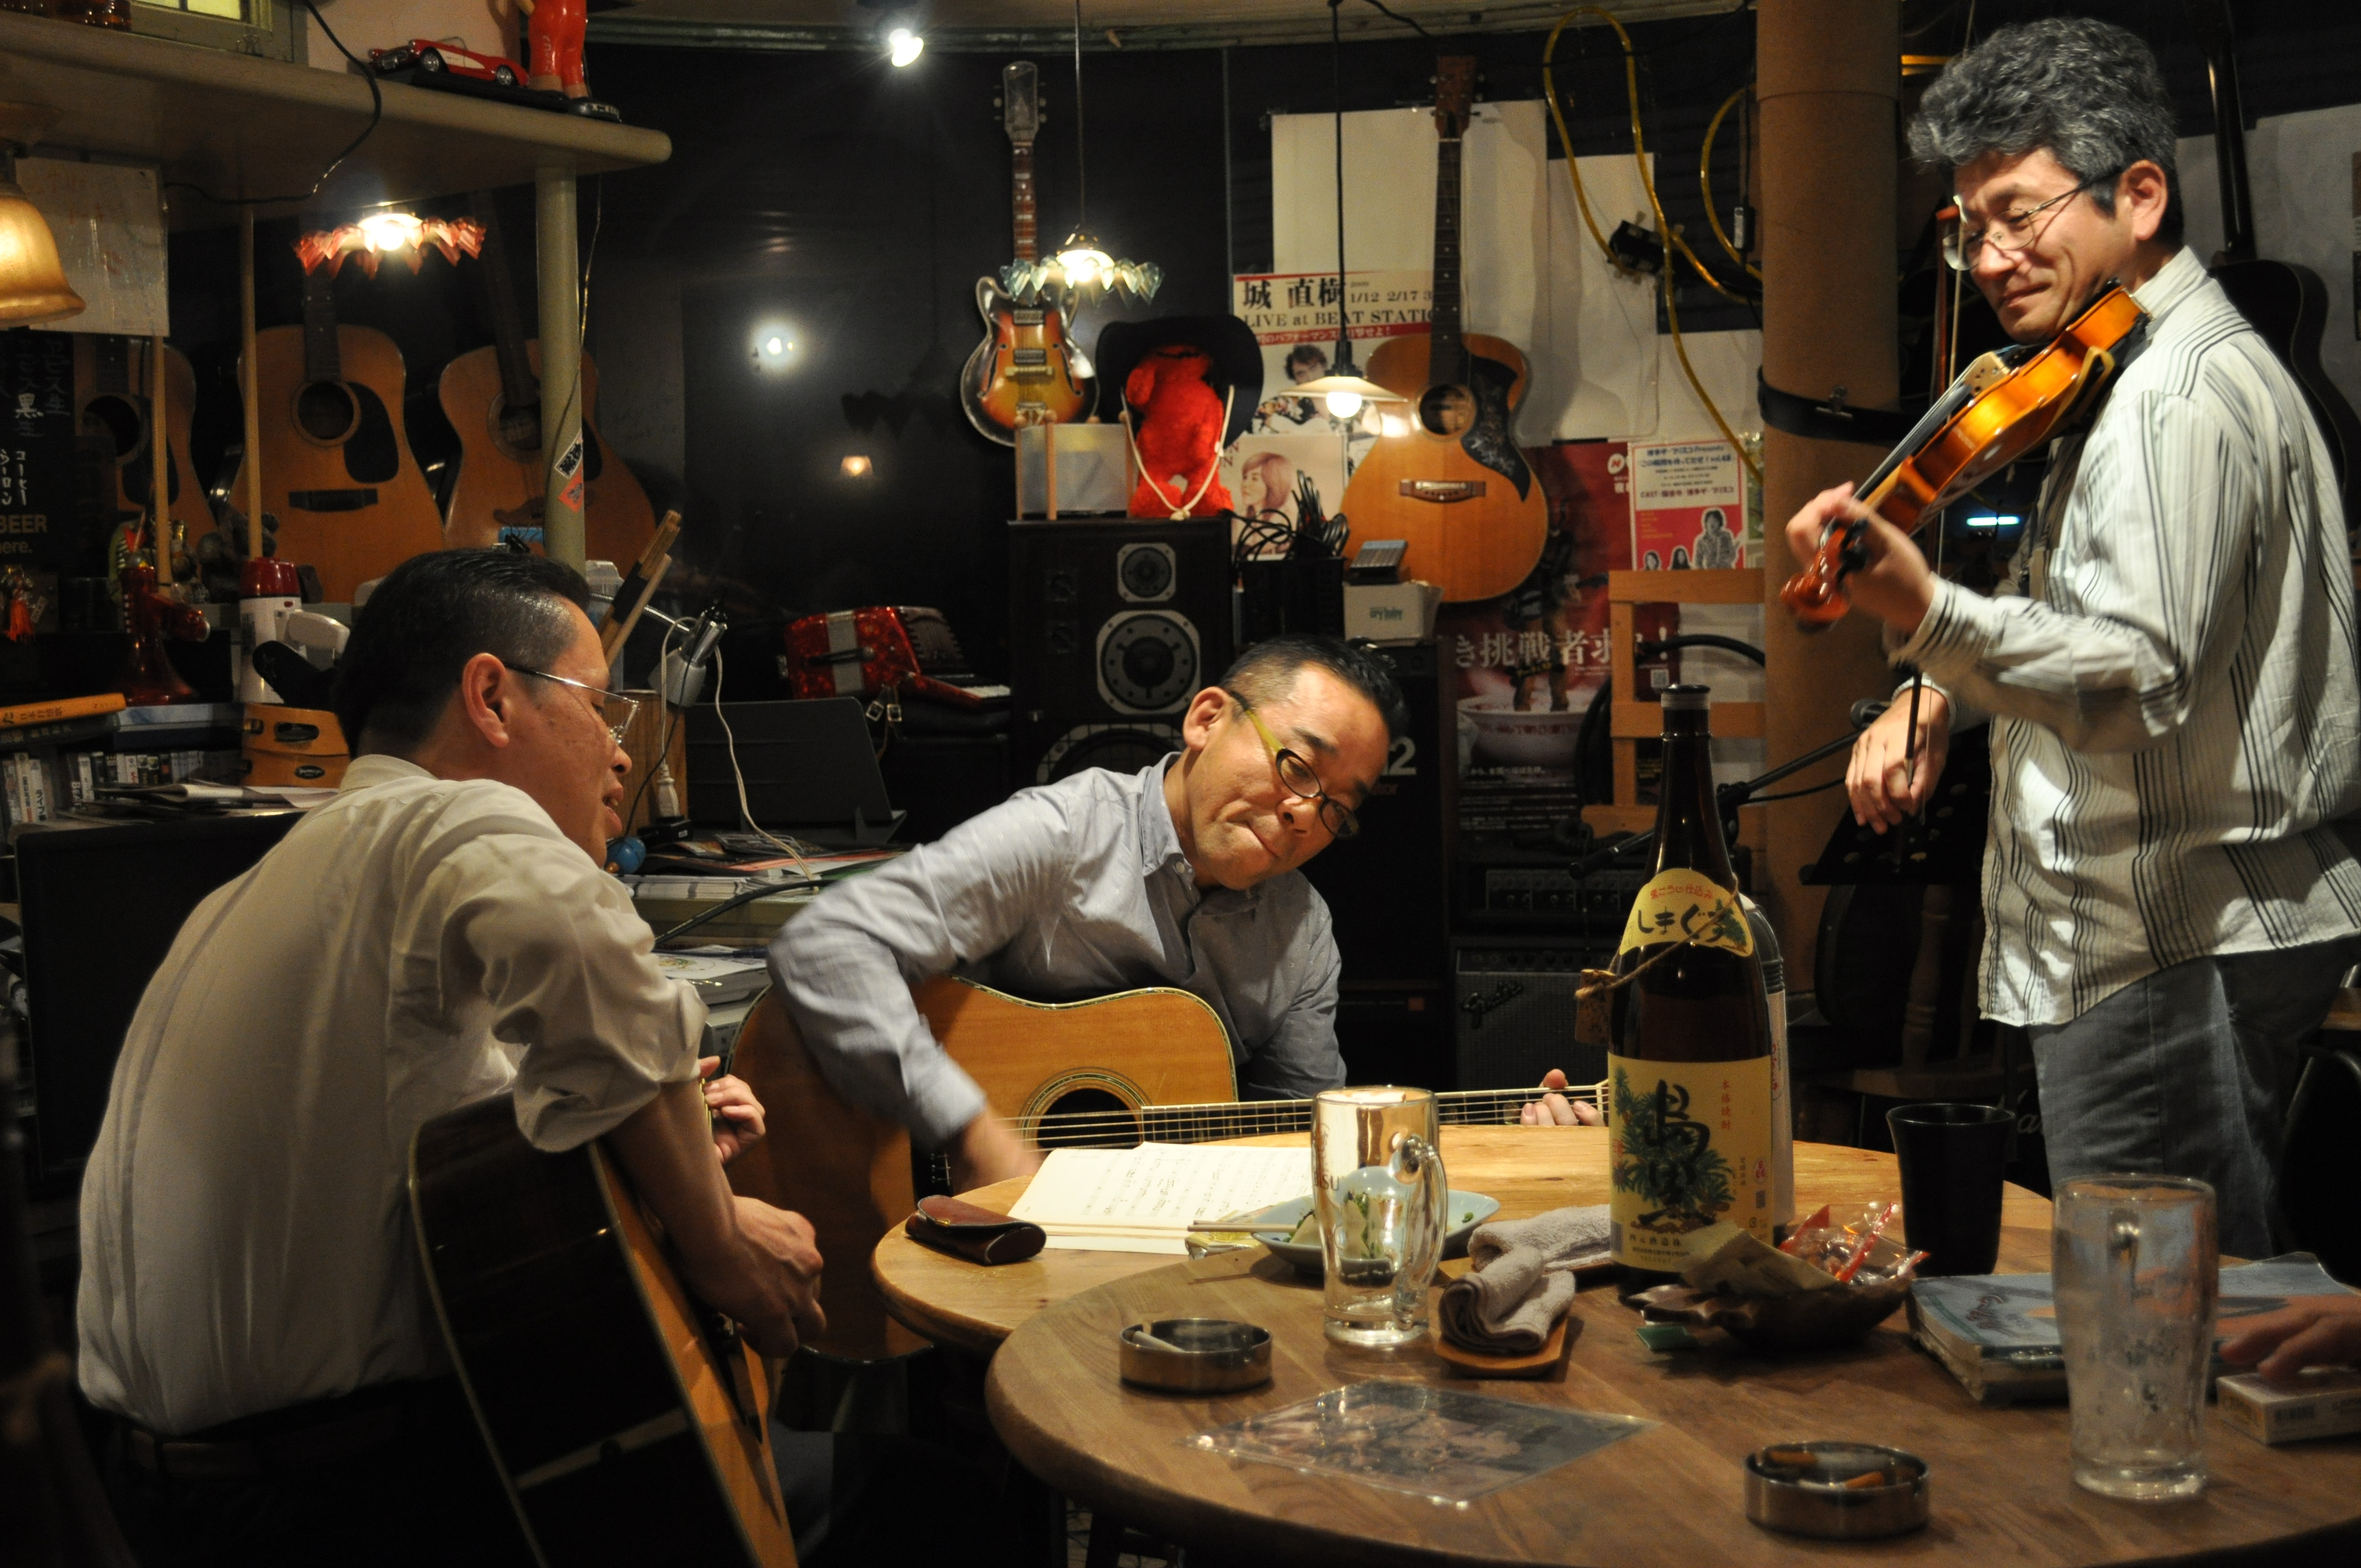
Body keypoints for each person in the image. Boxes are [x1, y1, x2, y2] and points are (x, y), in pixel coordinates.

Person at [77, 552, 823, 1567]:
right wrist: (720, 1242)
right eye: (599, 706)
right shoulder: (454, 812)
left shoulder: (243, 895)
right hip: (355, 1502)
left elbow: (412, 1154)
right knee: (899, 1496)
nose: (618, 753)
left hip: (165, 1504)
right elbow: (592, 970)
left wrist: (649, 1148)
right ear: (491, 697)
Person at [1786, 19, 2361, 1259]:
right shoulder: (2140, 371)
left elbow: (2137, 673)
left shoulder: (2169, 400)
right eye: (1968, 228)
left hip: (2161, 938)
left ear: (2138, 195)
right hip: (2182, 931)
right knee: (2186, 1299)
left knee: (2152, 1309)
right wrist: (1942, 693)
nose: (1990, 258)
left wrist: (1926, 612)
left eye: (2018, 214)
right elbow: (2081, 596)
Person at [769, 635, 1593, 1189]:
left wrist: (1508, 1147)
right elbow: (827, 943)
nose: (1306, 815)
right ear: (1206, 719)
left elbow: (1321, 1151)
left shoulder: (1303, 933)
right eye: (1298, 768)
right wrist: (972, 1132)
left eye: (1339, 808)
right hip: (940, 1212)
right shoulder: (1063, 835)